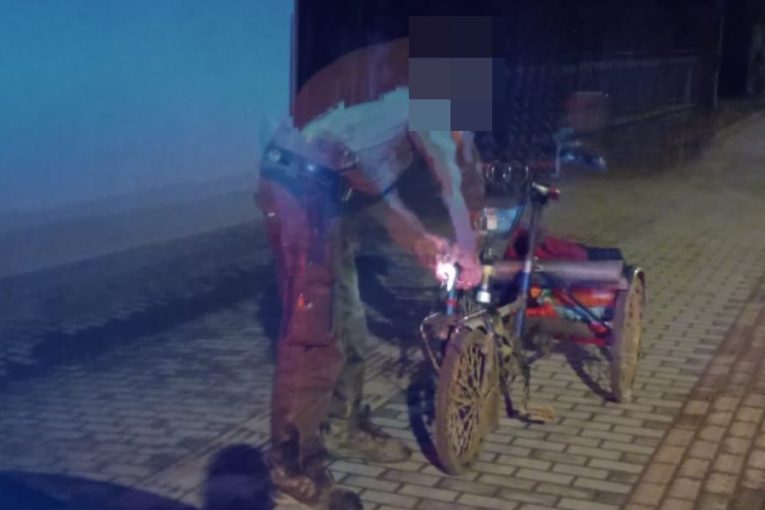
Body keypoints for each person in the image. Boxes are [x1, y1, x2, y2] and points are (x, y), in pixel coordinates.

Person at [256, 36, 485, 508]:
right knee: (313, 335)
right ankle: (291, 463)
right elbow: (453, 169)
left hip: (328, 186)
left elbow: (375, 184)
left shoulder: (396, 89)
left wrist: (418, 238)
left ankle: (344, 427)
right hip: (297, 188)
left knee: (350, 321)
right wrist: (468, 248)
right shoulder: (427, 79)